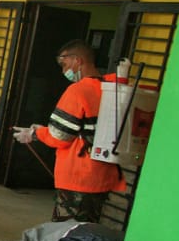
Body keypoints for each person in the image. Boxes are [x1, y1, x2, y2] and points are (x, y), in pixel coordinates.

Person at [12, 40, 126, 222]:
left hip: (79, 177)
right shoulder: (113, 90)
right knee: (87, 230)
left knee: (65, 234)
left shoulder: (78, 91)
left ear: (77, 60)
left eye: (64, 64)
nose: (63, 71)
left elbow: (60, 136)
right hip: (103, 175)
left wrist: (34, 134)